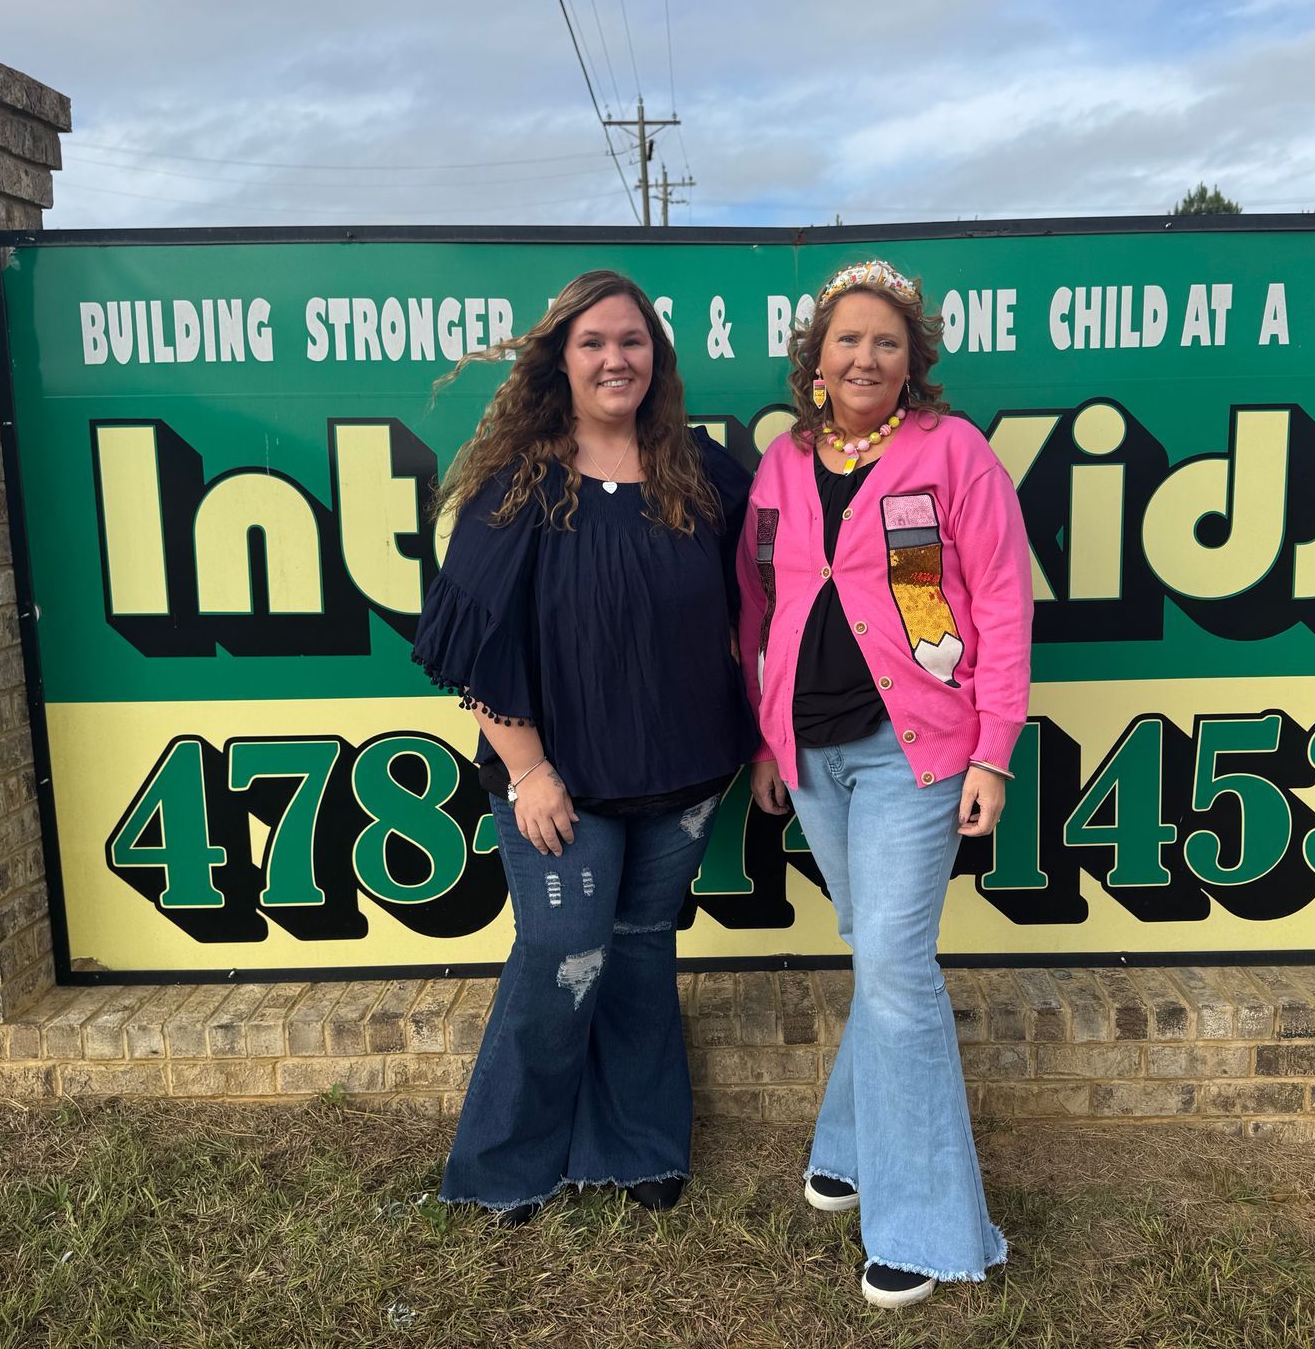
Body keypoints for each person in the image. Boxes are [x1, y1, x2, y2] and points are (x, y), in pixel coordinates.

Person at [413, 269, 756, 1223]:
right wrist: (528, 771)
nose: (616, 359)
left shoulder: (701, 468)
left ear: (658, 357)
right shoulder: (518, 482)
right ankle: (506, 1163)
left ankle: (639, 1144)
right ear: (559, 359)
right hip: (558, 779)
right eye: (594, 342)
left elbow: (776, 584)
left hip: (687, 770)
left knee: (641, 949)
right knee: (562, 950)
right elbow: (469, 643)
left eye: (633, 341)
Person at [737, 259, 1033, 1308]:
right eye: (848, 340)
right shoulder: (780, 466)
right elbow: (758, 606)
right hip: (810, 753)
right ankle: (851, 1143)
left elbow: (1000, 602)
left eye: (888, 342)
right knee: (875, 950)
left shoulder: (954, 454)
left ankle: (929, 1230)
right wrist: (768, 744)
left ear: (913, 363)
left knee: (899, 971)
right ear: (815, 362)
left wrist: (994, 750)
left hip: (918, 752)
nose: (866, 357)